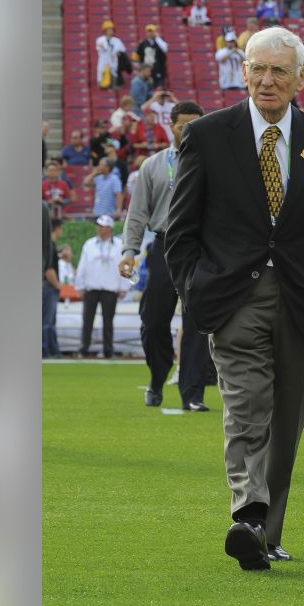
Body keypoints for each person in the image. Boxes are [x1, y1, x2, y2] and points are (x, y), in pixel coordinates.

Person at [164, 26, 304, 570]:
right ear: (242, 71)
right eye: (257, 68)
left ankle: (266, 534)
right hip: (233, 298)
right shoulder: (205, 136)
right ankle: (247, 514)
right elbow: (180, 233)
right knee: (246, 409)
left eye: (278, 70)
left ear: (300, 77)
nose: (266, 80)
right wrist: (195, 291)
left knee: (286, 425)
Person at [119, 100, 217, 411]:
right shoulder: (152, 166)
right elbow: (137, 215)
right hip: (165, 246)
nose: (188, 130)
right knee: (153, 322)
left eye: (195, 125)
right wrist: (129, 251)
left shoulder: (218, 164)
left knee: (198, 322)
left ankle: (193, 393)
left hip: (203, 249)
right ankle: (157, 377)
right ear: (170, 126)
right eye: (182, 125)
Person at [75, 215, 128, 358]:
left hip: (110, 288)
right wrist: (80, 286)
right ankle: (83, 348)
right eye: (98, 225)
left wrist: (123, 286)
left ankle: (108, 350)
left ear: (109, 228)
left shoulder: (119, 244)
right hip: (91, 287)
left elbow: (124, 266)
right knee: (87, 320)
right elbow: (82, 266)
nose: (99, 228)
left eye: (102, 226)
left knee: (108, 321)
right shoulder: (89, 244)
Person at [43, 207, 63, 358]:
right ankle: (46, 350)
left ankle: (52, 349)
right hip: (48, 287)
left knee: (48, 322)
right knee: (47, 322)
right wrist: (57, 286)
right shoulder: (49, 245)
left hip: (47, 286)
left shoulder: (48, 244)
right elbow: (48, 269)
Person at [96, 21, 128, 90]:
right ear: (105, 31)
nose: (111, 31)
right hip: (104, 61)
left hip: (113, 61)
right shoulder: (100, 39)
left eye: (111, 29)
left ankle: (114, 85)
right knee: (102, 78)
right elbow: (102, 48)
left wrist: (119, 52)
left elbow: (122, 50)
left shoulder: (117, 40)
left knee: (114, 74)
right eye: (109, 29)